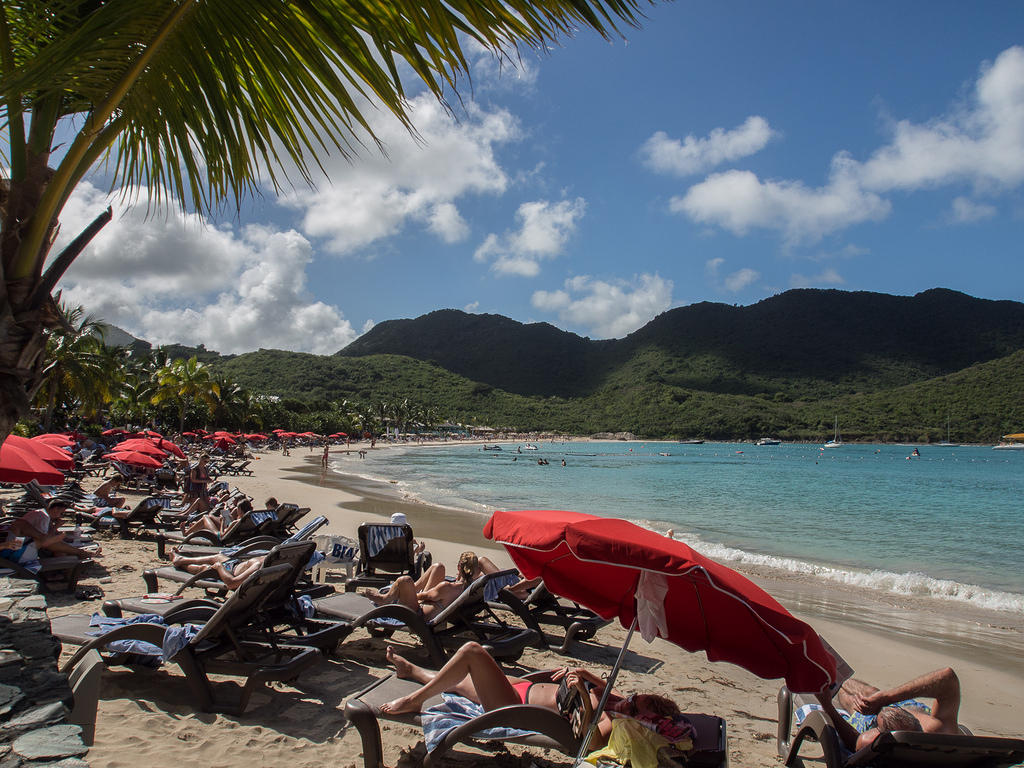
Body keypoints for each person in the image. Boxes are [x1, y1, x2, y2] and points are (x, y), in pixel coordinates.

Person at [380, 641, 680, 748]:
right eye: (633, 696)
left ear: (639, 716)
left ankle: (413, 700)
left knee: (473, 652)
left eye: (632, 704)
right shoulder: (615, 700)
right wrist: (577, 675)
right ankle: (412, 671)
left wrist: (584, 700)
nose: (625, 699)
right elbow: (595, 682)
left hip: (514, 706)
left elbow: (591, 740)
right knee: (461, 681)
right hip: (523, 688)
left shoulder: (611, 721)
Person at [815, 667, 962, 752]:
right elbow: (948, 677)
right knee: (872, 692)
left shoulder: (870, 741)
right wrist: (887, 698)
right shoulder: (938, 731)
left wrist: (828, 706)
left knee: (856, 701)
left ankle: (832, 678)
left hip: (869, 722)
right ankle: (835, 675)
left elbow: (854, 742)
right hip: (904, 708)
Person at [361, 551, 497, 620]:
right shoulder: (477, 585)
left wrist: (405, 593)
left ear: (458, 567)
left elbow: (421, 596)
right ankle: (398, 592)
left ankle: (385, 599)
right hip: (437, 605)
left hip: (419, 614)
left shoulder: (447, 587)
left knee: (405, 581)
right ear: (476, 570)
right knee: (438, 567)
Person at [8, 499, 101, 559]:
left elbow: (43, 537)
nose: (61, 515)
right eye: (62, 513)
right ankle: (81, 553)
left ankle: (78, 555)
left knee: (60, 552)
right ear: (56, 509)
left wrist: (55, 530)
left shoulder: (40, 514)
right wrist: (56, 527)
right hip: (17, 549)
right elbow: (45, 540)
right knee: (54, 544)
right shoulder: (43, 517)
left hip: (19, 546)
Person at [170, 550, 264, 590]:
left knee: (204, 568)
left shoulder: (257, 566)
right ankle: (182, 560)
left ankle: (181, 564)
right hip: (235, 565)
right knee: (217, 557)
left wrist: (219, 567)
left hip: (229, 573)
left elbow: (232, 583)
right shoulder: (276, 563)